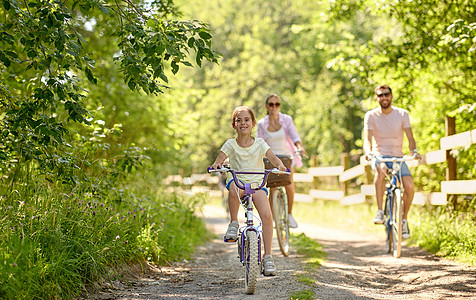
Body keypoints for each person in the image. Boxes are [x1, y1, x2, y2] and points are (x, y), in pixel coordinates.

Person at [210, 106, 287, 276]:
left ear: (253, 124)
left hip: (257, 184)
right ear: (234, 124)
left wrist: (280, 166)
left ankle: (268, 257)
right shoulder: (230, 144)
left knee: (267, 216)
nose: (243, 123)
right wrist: (217, 165)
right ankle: (233, 223)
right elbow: (221, 158)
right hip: (239, 182)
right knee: (233, 189)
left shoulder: (260, 143)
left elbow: (272, 158)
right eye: (239, 120)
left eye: (246, 120)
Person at [363, 84, 419, 239]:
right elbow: (367, 140)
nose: (384, 98)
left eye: (386, 94)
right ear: (376, 98)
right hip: (380, 155)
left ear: (391, 96)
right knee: (380, 171)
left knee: (409, 185)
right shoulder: (371, 116)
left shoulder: (402, 114)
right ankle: (380, 211)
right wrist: (368, 153)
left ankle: (404, 220)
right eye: (380, 95)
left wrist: (413, 151)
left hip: (398, 157)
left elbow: (410, 137)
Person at [257, 94, 306, 228]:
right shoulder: (262, 123)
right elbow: (259, 142)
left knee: (289, 185)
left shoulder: (286, 119)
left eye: (277, 104)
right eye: (271, 104)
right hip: (270, 158)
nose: (274, 107)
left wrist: (299, 147)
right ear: (267, 106)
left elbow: (294, 135)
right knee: (272, 187)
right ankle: (272, 220)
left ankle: (289, 214)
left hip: (286, 157)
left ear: (279, 106)